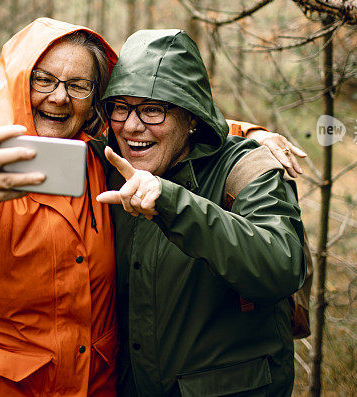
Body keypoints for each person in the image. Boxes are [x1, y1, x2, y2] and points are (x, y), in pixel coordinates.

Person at [0, 18, 304, 396]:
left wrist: (252, 134)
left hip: (94, 382)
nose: (59, 97)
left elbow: (170, 115)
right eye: (44, 80)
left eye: (77, 85)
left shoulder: (106, 159)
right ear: (20, 81)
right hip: (0, 383)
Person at [96, 29, 307, 396]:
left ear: (192, 117)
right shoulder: (109, 166)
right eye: (121, 106)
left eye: (152, 109)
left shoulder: (245, 168)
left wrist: (172, 203)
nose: (131, 125)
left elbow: (282, 264)